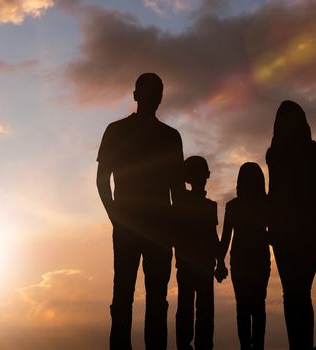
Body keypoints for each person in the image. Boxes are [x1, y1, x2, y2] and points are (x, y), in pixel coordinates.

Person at [96, 73, 184, 349]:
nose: (151, 98)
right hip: (133, 226)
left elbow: (177, 190)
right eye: (148, 92)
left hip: (153, 228)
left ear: (159, 97)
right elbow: (102, 178)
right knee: (127, 295)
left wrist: (116, 216)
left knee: (147, 298)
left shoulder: (170, 136)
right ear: (136, 96)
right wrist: (115, 216)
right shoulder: (117, 130)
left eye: (156, 92)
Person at [265, 100, 316, 349]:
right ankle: (301, 346)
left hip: (301, 230)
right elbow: (273, 195)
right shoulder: (277, 155)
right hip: (291, 231)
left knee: (295, 293)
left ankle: (300, 346)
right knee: (297, 294)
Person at [216, 162, 271, 350]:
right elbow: (273, 234)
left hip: (242, 260)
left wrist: (220, 263)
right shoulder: (265, 204)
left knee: (244, 307)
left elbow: (225, 240)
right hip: (258, 258)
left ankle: (246, 347)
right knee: (257, 306)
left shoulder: (234, 206)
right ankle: (256, 346)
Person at [174, 156, 219, 350]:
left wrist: (221, 261)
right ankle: (192, 345)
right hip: (197, 264)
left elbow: (212, 236)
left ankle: (193, 345)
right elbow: (213, 237)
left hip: (196, 264)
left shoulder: (204, 205)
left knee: (194, 309)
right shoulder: (189, 203)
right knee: (198, 309)